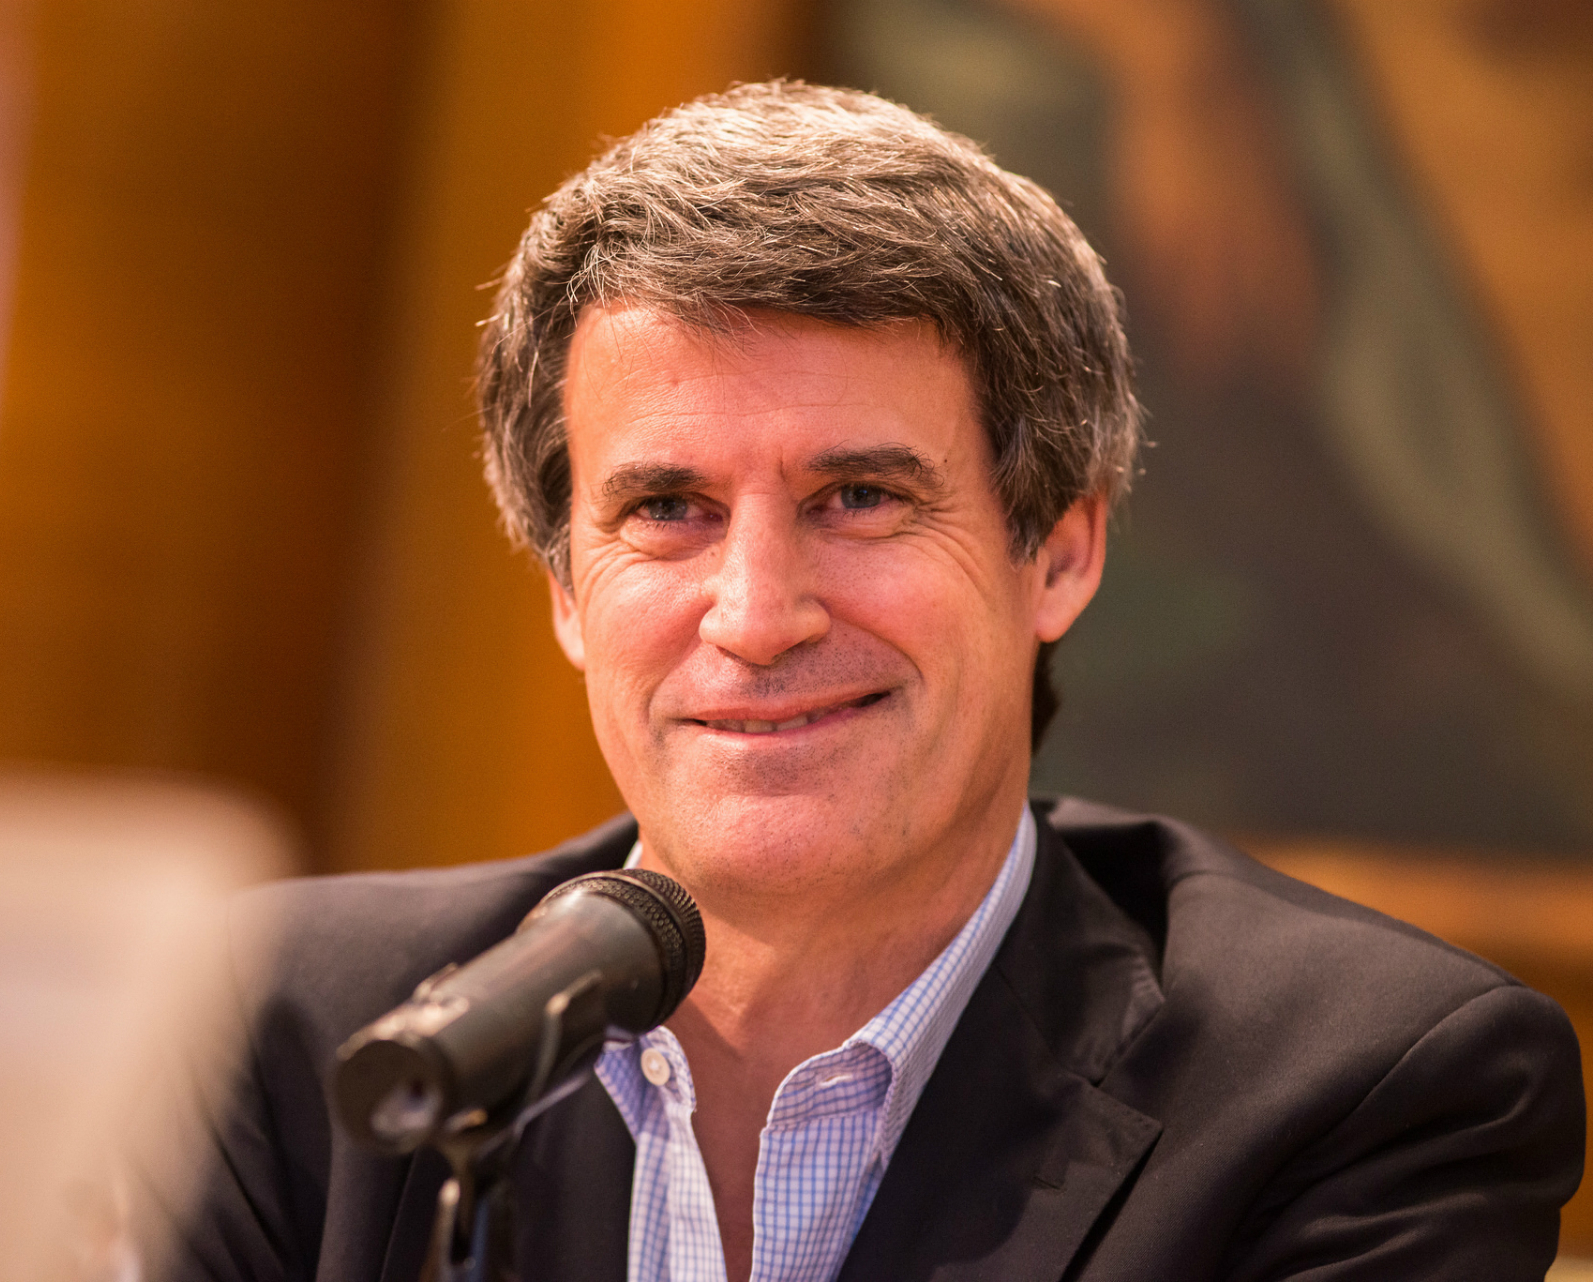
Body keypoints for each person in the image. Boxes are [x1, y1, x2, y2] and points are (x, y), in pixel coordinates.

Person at [144, 82, 1583, 1281]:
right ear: (568, 590)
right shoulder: (288, 1033)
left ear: (1060, 551)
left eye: (859, 499)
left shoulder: (1366, 1090)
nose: (757, 614)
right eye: (666, 508)